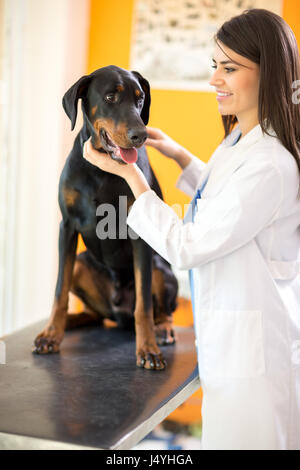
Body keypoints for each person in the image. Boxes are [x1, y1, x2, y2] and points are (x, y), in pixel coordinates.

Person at [83, 9, 300, 450]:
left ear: (270, 73)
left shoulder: (271, 164)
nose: (214, 80)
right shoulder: (243, 142)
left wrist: (131, 176)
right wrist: (180, 156)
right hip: (230, 356)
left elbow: (187, 245)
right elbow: (225, 200)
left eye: (229, 68)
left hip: (253, 371)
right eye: (213, 66)